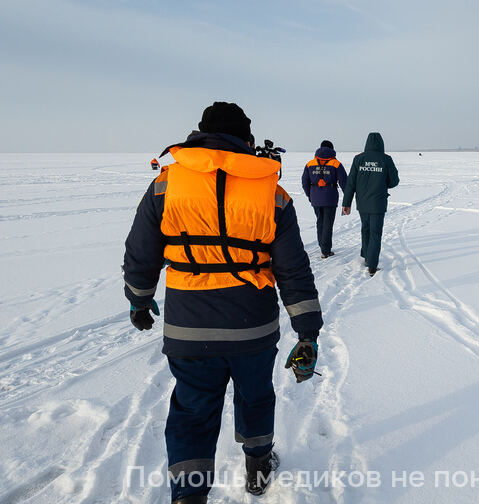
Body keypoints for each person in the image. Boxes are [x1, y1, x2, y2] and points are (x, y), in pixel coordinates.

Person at [122, 102, 323, 503]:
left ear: (199, 135)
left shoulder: (165, 184)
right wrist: (308, 332)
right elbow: (293, 271)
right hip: (253, 329)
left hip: (188, 328)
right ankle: (258, 468)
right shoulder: (272, 192)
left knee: (192, 412)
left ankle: (189, 494)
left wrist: (139, 300)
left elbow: (140, 253)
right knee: (256, 397)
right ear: (246, 140)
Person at [340, 132, 399, 276]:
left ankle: (367, 256)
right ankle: (372, 265)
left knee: (366, 229)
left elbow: (351, 183)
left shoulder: (358, 159)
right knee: (375, 233)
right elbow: (394, 181)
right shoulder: (386, 159)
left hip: (362, 203)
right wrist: (382, 182)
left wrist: (346, 203)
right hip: (378, 203)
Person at [301, 140, 347, 259]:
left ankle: (322, 245)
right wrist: (348, 197)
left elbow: (305, 181)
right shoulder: (336, 163)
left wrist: (309, 195)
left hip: (315, 198)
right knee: (328, 223)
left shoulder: (310, 164)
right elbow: (344, 182)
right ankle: (325, 250)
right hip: (330, 197)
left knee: (320, 221)